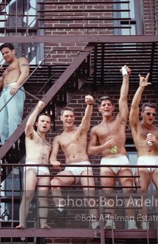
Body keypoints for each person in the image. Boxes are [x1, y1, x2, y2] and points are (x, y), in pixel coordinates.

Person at [88, 65, 137, 230]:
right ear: (99, 108)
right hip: (106, 161)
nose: (107, 107)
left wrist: (125, 76)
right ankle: (111, 221)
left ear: (112, 107)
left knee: (128, 191)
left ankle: (131, 222)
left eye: (109, 104)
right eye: (103, 105)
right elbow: (90, 150)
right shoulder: (96, 129)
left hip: (122, 158)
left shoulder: (119, 120)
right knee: (108, 192)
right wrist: (104, 145)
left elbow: (123, 98)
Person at [129, 73, 158, 230]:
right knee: (141, 193)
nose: (151, 116)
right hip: (142, 161)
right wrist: (141, 88)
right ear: (142, 114)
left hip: (157, 161)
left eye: (154, 114)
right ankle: (145, 224)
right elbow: (134, 107)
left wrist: (157, 143)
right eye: (148, 113)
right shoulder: (136, 126)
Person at [49, 96, 99, 229]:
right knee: (54, 182)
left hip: (84, 166)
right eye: (66, 116)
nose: (69, 118)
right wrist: (54, 161)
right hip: (70, 168)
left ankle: (95, 222)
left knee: (90, 193)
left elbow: (86, 119)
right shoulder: (58, 138)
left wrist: (89, 105)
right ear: (61, 118)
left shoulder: (81, 130)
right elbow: (53, 156)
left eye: (71, 116)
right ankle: (60, 210)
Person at [16, 101, 51, 229]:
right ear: (37, 123)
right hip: (31, 166)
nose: (45, 123)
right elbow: (28, 124)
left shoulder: (49, 144)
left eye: (47, 122)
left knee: (43, 197)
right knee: (28, 194)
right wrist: (38, 108)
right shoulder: (31, 135)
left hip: (44, 170)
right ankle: (22, 223)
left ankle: (43, 224)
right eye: (42, 121)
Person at [0, 43, 29, 144]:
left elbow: (25, 72)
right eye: (2, 54)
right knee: (2, 121)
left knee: (13, 117)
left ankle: (14, 143)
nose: (4, 55)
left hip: (14, 88)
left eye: (7, 52)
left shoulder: (21, 60)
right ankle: (6, 145)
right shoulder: (6, 70)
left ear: (13, 51)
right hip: (4, 93)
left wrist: (17, 85)